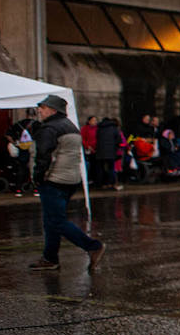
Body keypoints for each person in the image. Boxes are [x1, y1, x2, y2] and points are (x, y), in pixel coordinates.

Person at [29, 95, 106, 272]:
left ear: (53, 110)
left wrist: (37, 177)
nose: (40, 110)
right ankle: (50, 258)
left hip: (54, 180)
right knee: (51, 220)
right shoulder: (71, 126)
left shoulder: (49, 128)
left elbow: (44, 156)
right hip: (70, 179)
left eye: (43, 107)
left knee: (56, 221)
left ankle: (93, 246)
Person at [93, 115, 124, 190]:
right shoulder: (114, 129)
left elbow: (97, 138)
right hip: (111, 152)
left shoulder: (99, 129)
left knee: (101, 169)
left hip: (100, 152)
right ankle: (112, 183)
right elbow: (119, 140)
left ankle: (102, 184)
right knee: (111, 168)